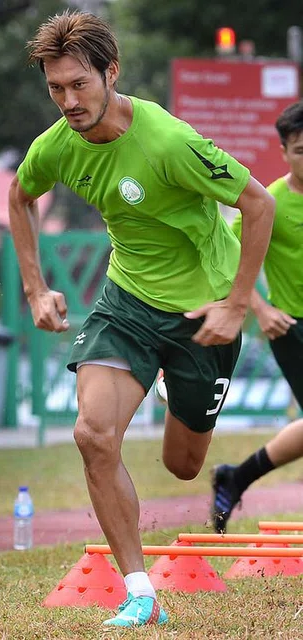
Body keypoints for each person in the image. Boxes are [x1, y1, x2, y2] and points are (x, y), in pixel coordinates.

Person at [9, 10, 275, 628]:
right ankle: (139, 593)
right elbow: (21, 197)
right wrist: (35, 288)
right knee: (92, 435)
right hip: (126, 303)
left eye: (79, 84)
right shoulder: (57, 146)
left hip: (201, 313)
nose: (68, 101)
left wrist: (237, 305)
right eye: (55, 88)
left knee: (182, 464)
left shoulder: (167, 141)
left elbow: (258, 203)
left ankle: (163, 381)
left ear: (112, 72)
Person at [208, 101, 303, 534]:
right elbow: (228, 256)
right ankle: (237, 476)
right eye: (301, 149)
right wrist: (261, 309)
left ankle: (237, 476)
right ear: (283, 150)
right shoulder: (270, 202)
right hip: (293, 330)